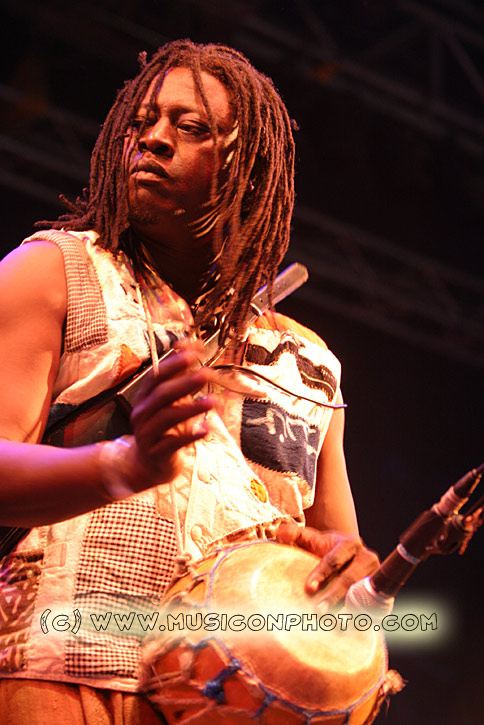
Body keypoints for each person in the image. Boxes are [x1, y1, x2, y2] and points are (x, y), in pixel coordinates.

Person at [0, 39, 379, 723]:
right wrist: (122, 464)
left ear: (249, 172)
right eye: (143, 121)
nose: (152, 139)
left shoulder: (308, 363)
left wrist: (349, 576)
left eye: (191, 126)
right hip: (62, 673)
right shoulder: (54, 272)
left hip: (226, 703)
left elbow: (338, 557)